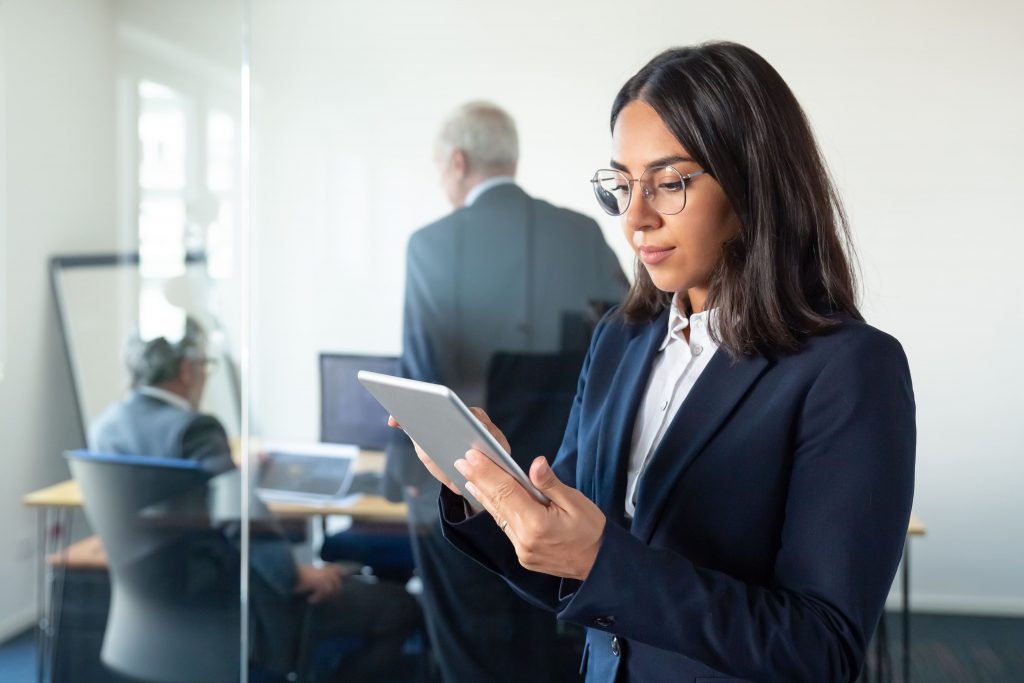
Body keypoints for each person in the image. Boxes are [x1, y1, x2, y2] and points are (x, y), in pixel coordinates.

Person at [398, 43, 916, 682]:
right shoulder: (620, 339)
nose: (635, 219)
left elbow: (820, 649)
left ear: (752, 180)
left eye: (669, 183)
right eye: (622, 185)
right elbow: (570, 577)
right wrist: (488, 494)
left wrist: (602, 562)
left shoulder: (849, 369)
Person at [383, 101, 628, 681]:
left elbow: (422, 373)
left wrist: (403, 483)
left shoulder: (432, 245)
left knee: (467, 654)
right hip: (562, 491)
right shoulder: (582, 232)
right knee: (542, 645)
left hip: (465, 488)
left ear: (459, 161)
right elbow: (623, 347)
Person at [90, 317, 420, 682]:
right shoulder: (195, 429)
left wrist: (234, 472)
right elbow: (238, 516)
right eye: (205, 366)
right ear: (187, 369)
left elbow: (175, 495)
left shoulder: (107, 425)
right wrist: (293, 574)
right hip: (236, 607)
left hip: (154, 607)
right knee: (401, 608)